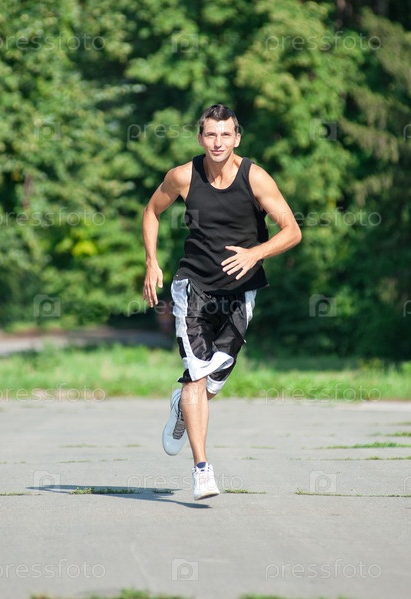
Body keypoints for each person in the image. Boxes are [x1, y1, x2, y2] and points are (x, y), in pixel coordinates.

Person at [142, 104, 301, 501]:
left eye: (225, 134)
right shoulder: (182, 176)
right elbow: (152, 212)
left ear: (237, 138)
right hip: (193, 288)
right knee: (196, 376)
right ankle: (202, 470)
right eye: (211, 134)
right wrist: (151, 261)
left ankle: (182, 405)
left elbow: (292, 230)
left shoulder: (255, 178)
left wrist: (255, 253)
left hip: (240, 294)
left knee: (211, 382)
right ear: (201, 138)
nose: (218, 142)